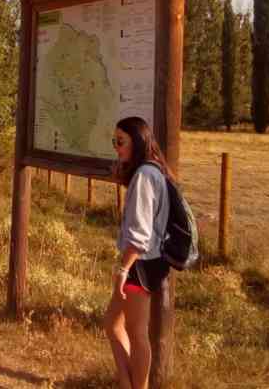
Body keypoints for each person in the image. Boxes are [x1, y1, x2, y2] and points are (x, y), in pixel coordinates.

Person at [103, 117, 172, 389]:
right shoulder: (153, 170)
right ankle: (126, 382)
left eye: (121, 142)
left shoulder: (145, 175)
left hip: (139, 263)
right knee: (113, 323)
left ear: (138, 141)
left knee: (136, 331)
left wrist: (123, 269)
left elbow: (140, 233)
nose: (117, 147)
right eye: (114, 142)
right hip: (148, 261)